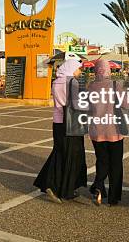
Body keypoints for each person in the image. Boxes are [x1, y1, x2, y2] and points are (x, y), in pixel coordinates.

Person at [34, 59, 87, 203]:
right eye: (78, 69)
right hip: (71, 122)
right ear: (71, 68)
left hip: (58, 122)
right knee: (72, 154)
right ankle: (58, 186)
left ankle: (56, 185)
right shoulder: (72, 83)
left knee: (59, 152)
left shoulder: (56, 82)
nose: (80, 72)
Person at [87, 59, 128, 206]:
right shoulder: (115, 85)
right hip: (114, 131)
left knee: (102, 160)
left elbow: (87, 107)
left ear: (96, 70)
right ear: (108, 70)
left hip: (96, 131)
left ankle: (98, 186)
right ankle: (113, 198)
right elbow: (125, 105)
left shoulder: (91, 86)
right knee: (116, 164)